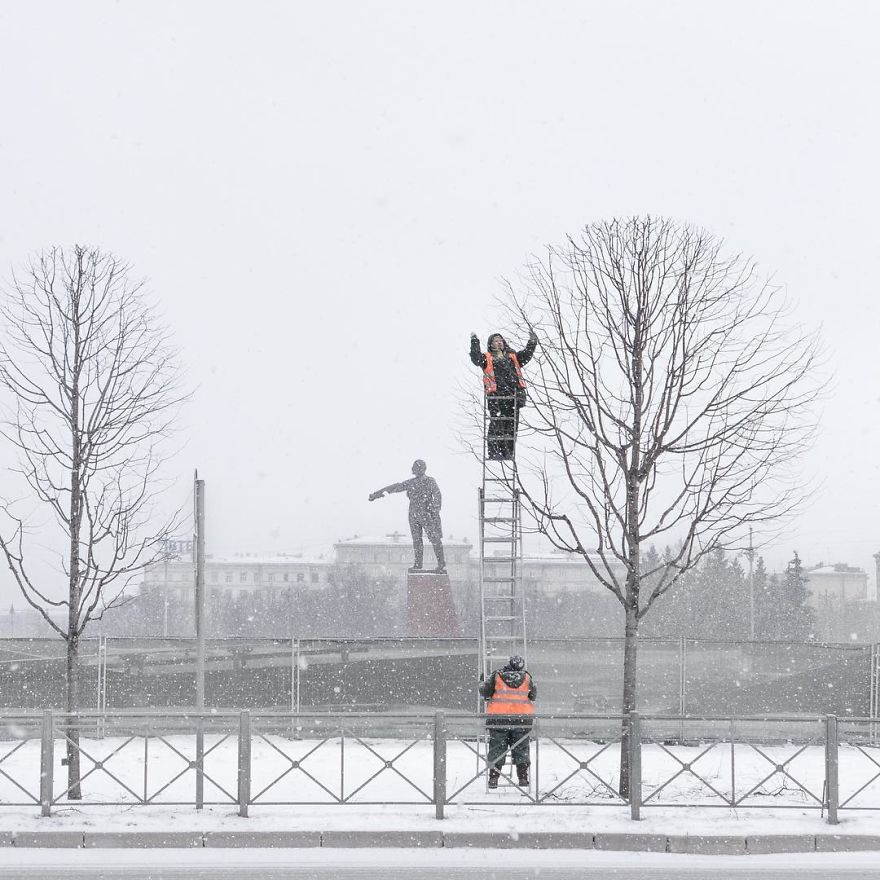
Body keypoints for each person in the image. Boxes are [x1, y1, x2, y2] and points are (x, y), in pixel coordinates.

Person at [469, 330, 538, 460]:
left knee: (511, 427)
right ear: (491, 344)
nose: (499, 342)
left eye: (500, 340)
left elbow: (527, 354)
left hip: (513, 397)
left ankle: (507, 452)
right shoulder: (487, 358)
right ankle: (494, 451)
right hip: (496, 397)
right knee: (497, 424)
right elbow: (475, 358)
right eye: (496, 340)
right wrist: (474, 342)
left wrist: (532, 341)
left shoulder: (513, 357)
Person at [368, 459, 446, 573]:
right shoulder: (412, 483)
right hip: (415, 514)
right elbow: (395, 487)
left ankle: (440, 563)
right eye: (415, 467)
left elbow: (437, 495)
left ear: (421, 469)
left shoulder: (429, 481)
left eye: (417, 467)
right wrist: (377, 494)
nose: (415, 469)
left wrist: (433, 509)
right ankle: (419, 564)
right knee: (418, 540)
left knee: (433, 538)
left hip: (425, 514)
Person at [478, 654, 537, 788]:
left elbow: (485, 692)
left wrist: (482, 682)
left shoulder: (497, 676)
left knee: (497, 748)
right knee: (521, 748)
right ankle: (523, 778)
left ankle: (493, 779)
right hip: (522, 719)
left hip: (499, 718)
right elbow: (533, 695)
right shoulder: (527, 677)